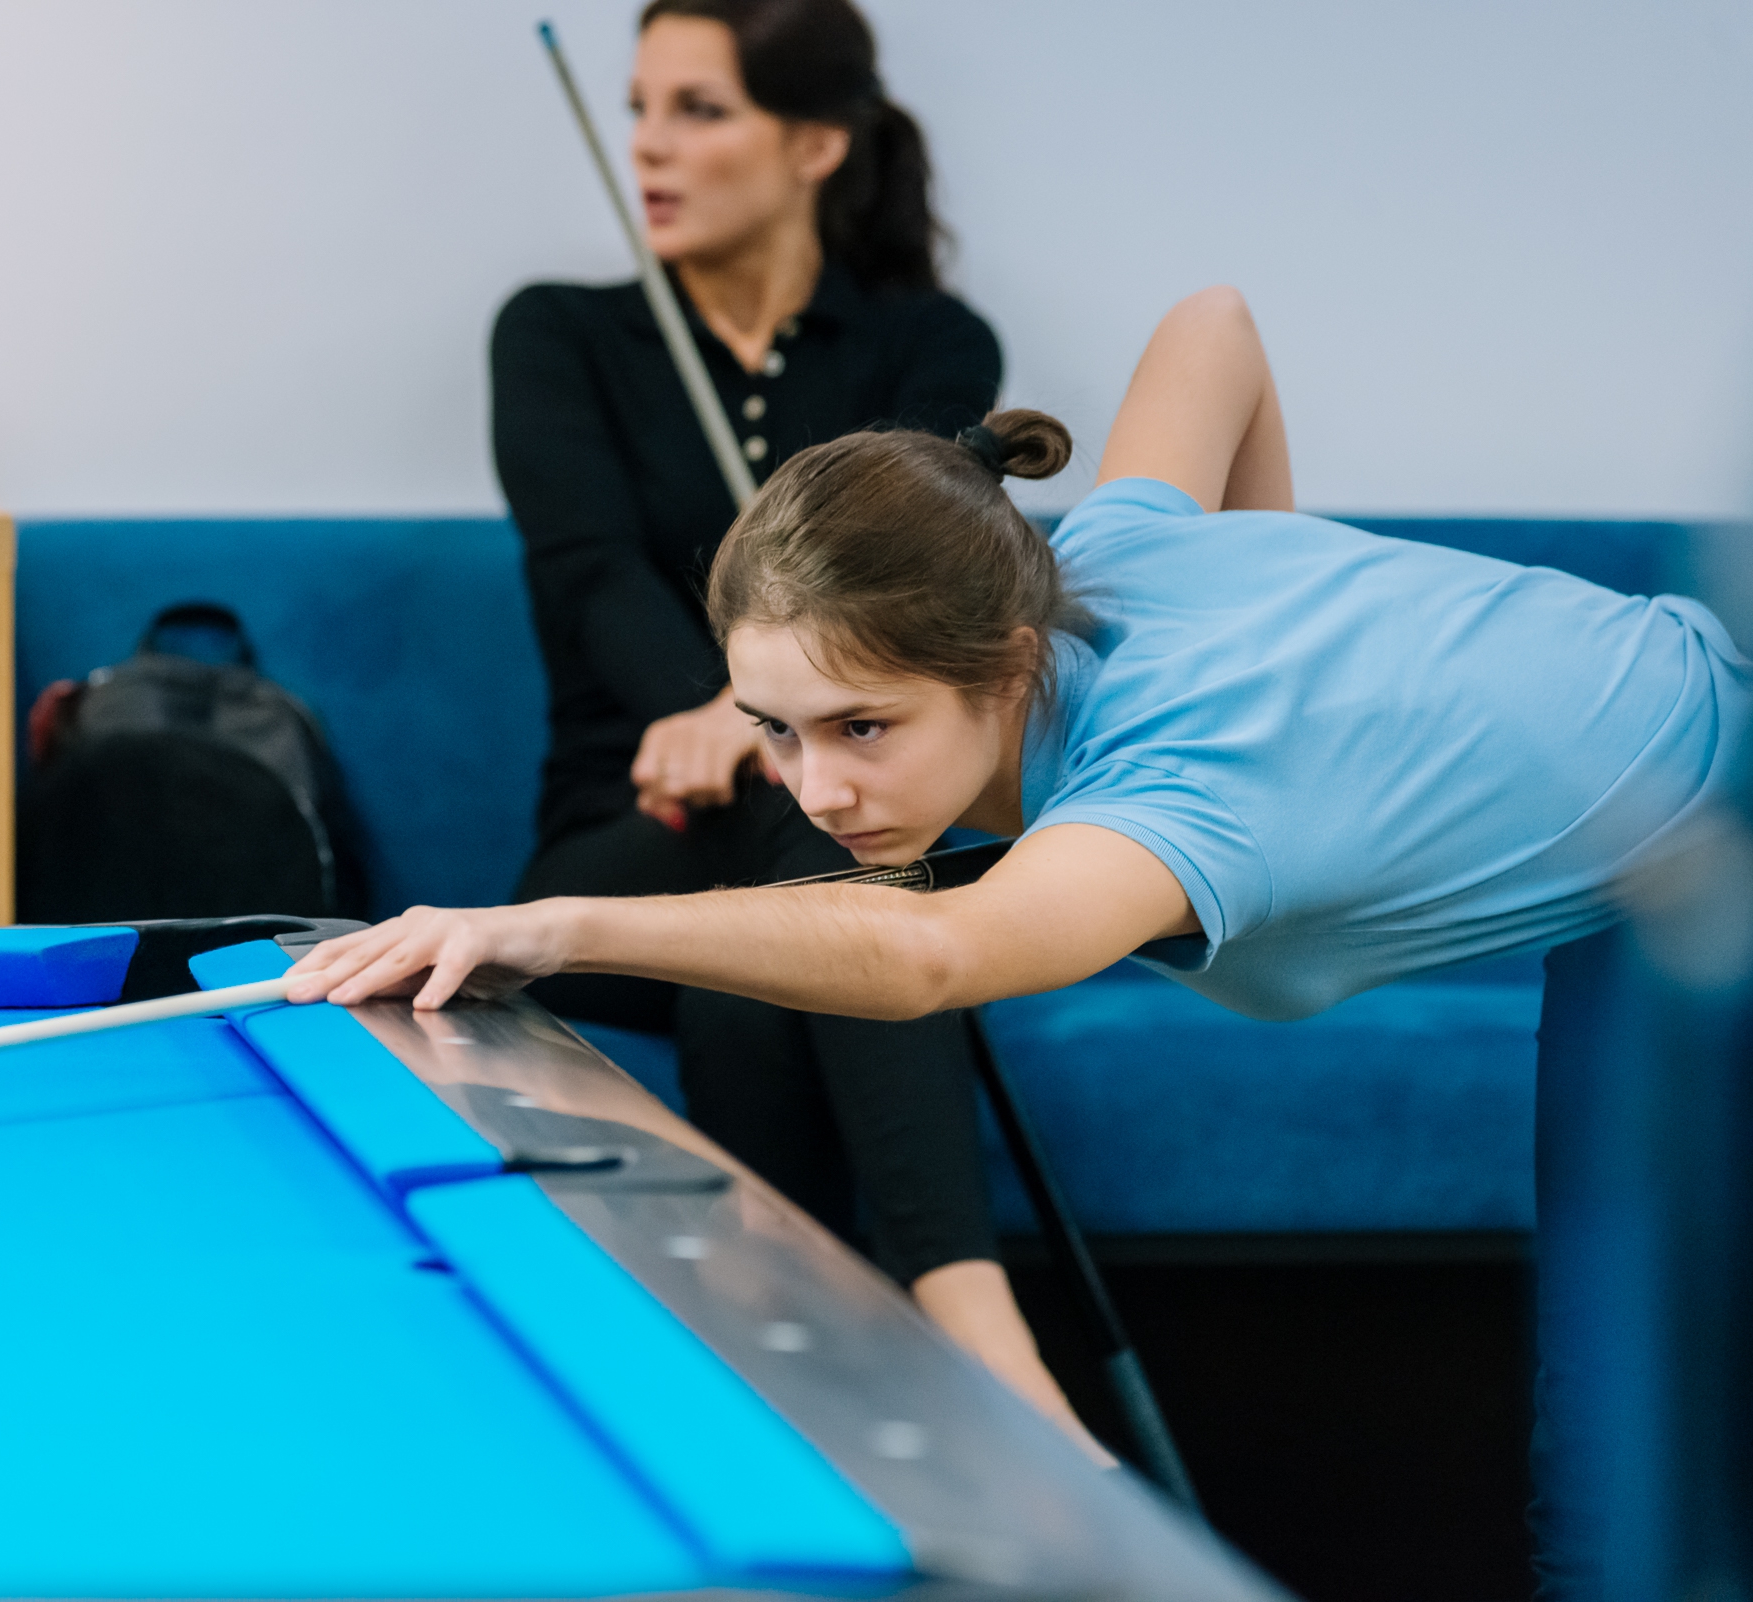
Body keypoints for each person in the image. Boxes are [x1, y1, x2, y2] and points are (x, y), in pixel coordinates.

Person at [295, 284, 1750, 1587]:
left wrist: (550, 925)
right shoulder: (1099, 551)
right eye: (775, 730)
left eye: (863, 727)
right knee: (1601, 1476)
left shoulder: (1186, 787)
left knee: (1623, 1503)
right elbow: (1214, 324)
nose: (816, 789)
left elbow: (933, 955)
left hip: (1727, 836)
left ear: (1001, 666)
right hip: (1651, 862)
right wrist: (1275, 571)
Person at [491, 0, 1098, 1450]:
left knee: (794, 854)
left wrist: (768, 732)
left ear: (816, 143)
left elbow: (904, 597)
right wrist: (717, 711)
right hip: (625, 832)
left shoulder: (932, 345)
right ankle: (988, 1358)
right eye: (640, 108)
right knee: (814, 796)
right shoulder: (561, 335)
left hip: (843, 842)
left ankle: (791, 1406)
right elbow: (588, 578)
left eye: (698, 110)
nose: (648, 146)